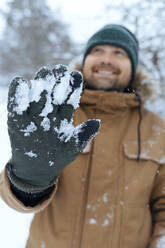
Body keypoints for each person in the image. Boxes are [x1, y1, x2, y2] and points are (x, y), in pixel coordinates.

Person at [0, 24, 165, 248]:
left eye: (119, 53)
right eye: (97, 51)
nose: (106, 59)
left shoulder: (157, 129)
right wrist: (29, 182)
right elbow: (15, 204)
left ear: (134, 66)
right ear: (84, 60)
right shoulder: (53, 116)